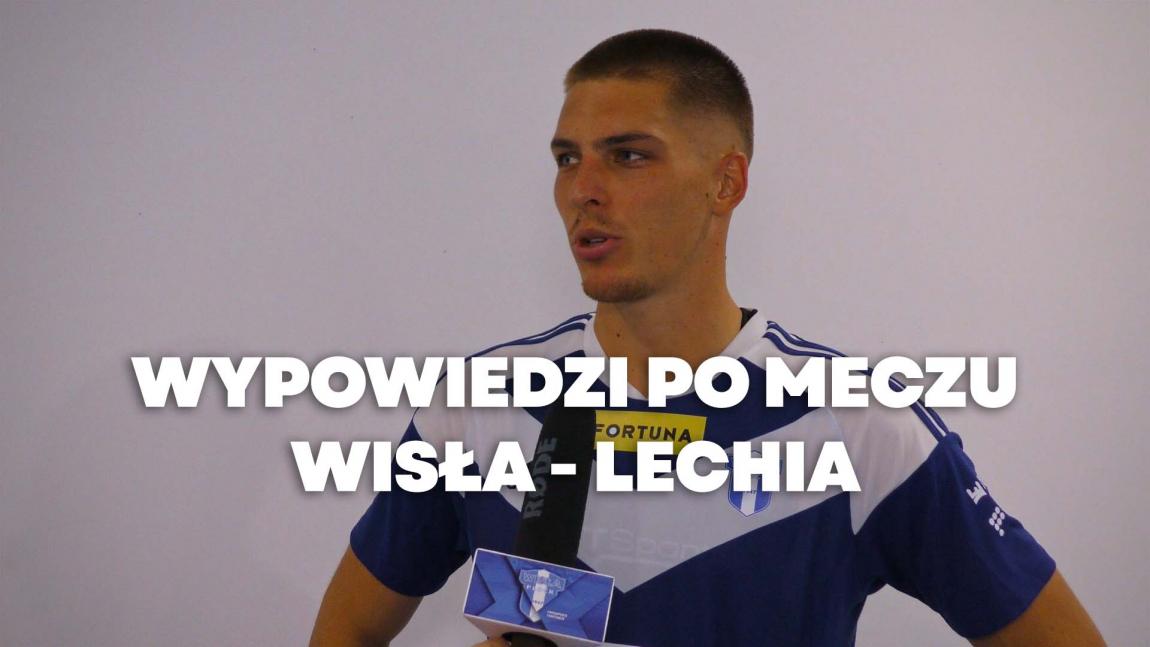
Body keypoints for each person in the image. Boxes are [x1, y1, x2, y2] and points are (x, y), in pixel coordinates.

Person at [310, 29, 1104, 646]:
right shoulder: (477, 408)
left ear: (726, 181)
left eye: (628, 156)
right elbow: (345, 628)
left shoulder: (859, 424)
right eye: (567, 158)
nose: (584, 189)